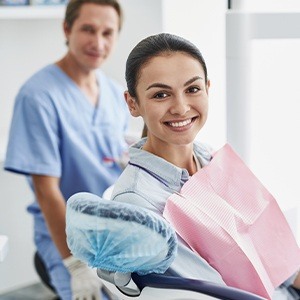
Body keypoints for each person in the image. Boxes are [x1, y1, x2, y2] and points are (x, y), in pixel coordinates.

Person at [109, 33, 300, 299]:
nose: (181, 107)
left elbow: (272, 248)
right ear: (133, 103)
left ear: (208, 88)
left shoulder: (210, 158)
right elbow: (212, 294)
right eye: (161, 94)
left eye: (192, 89)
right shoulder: (138, 204)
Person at [4, 0, 128, 299]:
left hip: (115, 233)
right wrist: (75, 264)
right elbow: (47, 191)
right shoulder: (38, 96)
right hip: (69, 237)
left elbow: (115, 158)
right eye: (88, 29)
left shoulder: (113, 92)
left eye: (108, 32)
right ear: (67, 29)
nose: (98, 42)